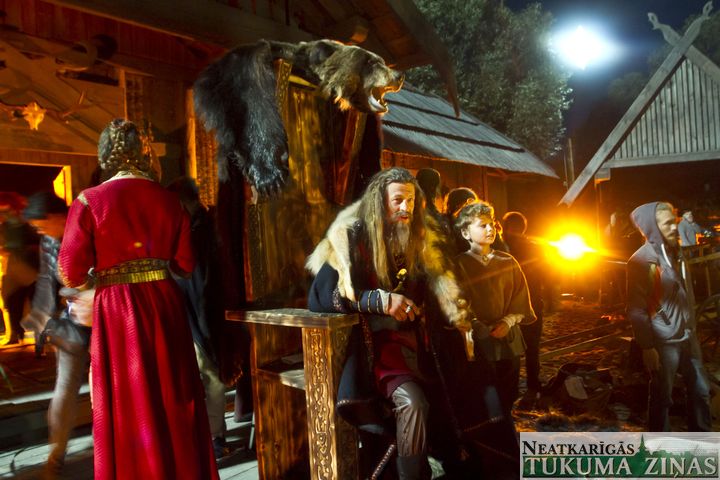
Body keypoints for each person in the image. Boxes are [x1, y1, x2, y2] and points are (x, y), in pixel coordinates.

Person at [58, 119, 218, 479]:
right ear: (144, 154)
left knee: (126, 398)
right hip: (164, 303)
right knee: (171, 394)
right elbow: (184, 266)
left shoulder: (88, 202)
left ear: (105, 155)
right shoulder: (170, 201)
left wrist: (99, 274)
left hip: (116, 309)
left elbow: (70, 271)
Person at [306, 167, 471, 479]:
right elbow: (321, 296)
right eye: (398, 200)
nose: (405, 208)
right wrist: (379, 301)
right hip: (377, 352)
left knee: (461, 397)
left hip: (423, 348)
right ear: (379, 202)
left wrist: (451, 311)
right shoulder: (352, 238)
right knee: (413, 403)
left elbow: (442, 289)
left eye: (410, 200)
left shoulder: (422, 238)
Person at [18, 191, 91, 478]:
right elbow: (46, 279)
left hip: (103, 318)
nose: (39, 231)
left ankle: (113, 450)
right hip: (71, 324)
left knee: (105, 388)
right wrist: (39, 318)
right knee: (64, 389)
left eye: (40, 225)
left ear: (58, 216)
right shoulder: (48, 241)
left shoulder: (87, 228)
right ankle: (55, 458)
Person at [626, 201, 711, 432]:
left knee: (701, 390)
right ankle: (659, 444)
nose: (674, 228)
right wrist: (647, 347)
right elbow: (636, 309)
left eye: (674, 222)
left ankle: (703, 441)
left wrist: (691, 327)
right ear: (652, 227)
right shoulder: (642, 261)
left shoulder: (676, 253)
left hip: (688, 336)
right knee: (663, 397)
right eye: (667, 224)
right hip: (664, 342)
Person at [454, 201, 536, 417]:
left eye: (492, 224)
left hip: (508, 340)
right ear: (465, 232)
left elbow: (520, 298)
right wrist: (475, 324)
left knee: (508, 390)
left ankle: (505, 428)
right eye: (482, 225)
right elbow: (455, 301)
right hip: (476, 341)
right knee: (482, 394)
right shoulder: (458, 265)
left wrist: (507, 322)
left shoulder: (507, 261)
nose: (490, 229)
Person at [167, 177, 229, 459]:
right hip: (191, 312)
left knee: (210, 375)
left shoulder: (202, 230)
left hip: (202, 312)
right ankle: (206, 433)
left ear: (183, 202)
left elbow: (202, 280)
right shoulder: (191, 227)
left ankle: (215, 436)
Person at [502, 210, 545, 408]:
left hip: (514, 305)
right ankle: (531, 386)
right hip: (529, 303)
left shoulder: (502, 249)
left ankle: (518, 389)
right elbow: (546, 274)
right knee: (530, 348)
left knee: (516, 349)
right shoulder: (532, 248)